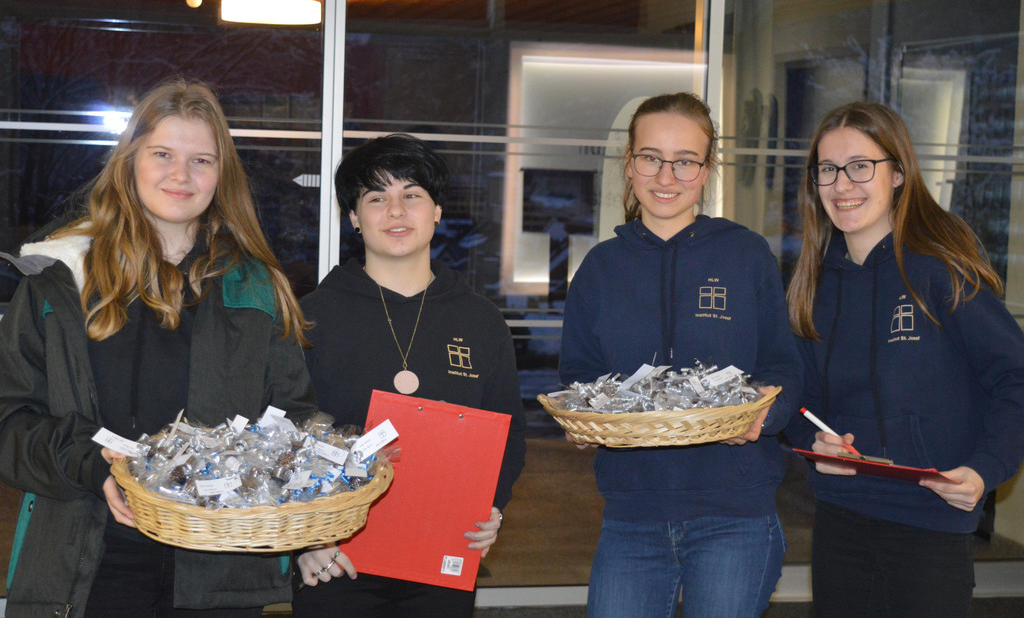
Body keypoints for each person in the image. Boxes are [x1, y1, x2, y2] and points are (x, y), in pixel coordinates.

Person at [0, 77, 318, 618]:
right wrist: (91, 465)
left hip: (219, 573)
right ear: (129, 162)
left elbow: (292, 421)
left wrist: (314, 516)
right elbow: (10, 420)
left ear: (221, 175)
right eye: (163, 154)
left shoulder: (256, 287)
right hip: (87, 566)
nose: (181, 175)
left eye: (201, 160)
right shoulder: (60, 279)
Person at [558, 92, 801, 618]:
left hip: (735, 510)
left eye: (685, 161)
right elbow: (578, 374)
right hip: (631, 513)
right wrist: (584, 421)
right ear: (629, 163)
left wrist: (763, 415)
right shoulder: (599, 269)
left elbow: (784, 366)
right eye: (651, 157)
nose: (666, 176)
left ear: (707, 169)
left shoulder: (745, 254)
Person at [785, 102, 1024, 618]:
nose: (842, 184)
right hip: (841, 517)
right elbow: (801, 401)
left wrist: (984, 470)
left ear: (897, 173)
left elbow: (1015, 377)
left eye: (860, 166)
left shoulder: (940, 270)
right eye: (828, 169)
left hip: (930, 520)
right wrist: (815, 443)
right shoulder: (813, 285)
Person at [291, 134, 526, 618]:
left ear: (437, 210)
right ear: (354, 217)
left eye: (411, 195)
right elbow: (284, 435)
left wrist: (494, 508)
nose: (396, 211)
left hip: (442, 552)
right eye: (376, 198)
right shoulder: (310, 318)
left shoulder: (480, 321)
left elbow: (508, 433)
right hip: (335, 558)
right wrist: (306, 538)